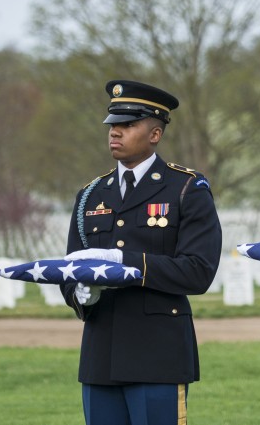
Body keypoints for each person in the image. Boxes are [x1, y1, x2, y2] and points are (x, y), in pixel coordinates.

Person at [63, 80, 222, 425]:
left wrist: (126, 264)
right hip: (100, 356)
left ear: (155, 134)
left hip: (158, 356)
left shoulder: (186, 189)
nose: (115, 132)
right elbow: (70, 267)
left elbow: (198, 271)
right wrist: (80, 294)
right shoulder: (91, 195)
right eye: (112, 125)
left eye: (127, 125)